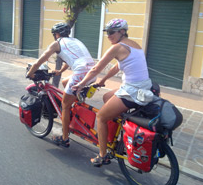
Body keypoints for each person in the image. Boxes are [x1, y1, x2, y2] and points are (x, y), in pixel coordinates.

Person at [72, 18, 153, 167]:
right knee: (107, 96)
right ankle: (116, 133)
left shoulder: (117, 47)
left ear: (122, 32)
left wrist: (80, 84)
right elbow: (117, 67)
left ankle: (103, 155)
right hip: (142, 88)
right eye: (106, 33)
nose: (108, 36)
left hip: (132, 91)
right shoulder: (134, 45)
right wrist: (103, 81)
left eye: (111, 32)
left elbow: (96, 69)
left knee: (101, 116)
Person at [27, 22, 96, 147]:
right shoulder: (74, 41)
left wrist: (31, 73)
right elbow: (70, 59)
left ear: (56, 34)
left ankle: (64, 138)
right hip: (92, 72)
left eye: (54, 34)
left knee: (64, 105)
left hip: (81, 72)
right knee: (65, 82)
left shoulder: (57, 43)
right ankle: (75, 103)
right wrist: (60, 71)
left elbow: (41, 59)